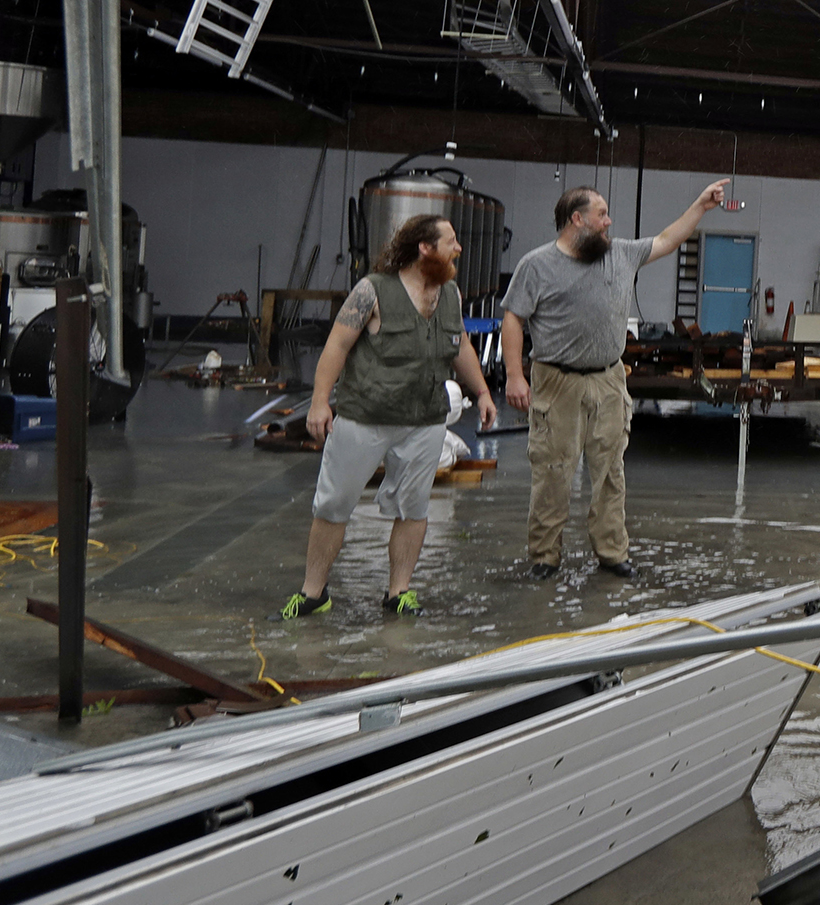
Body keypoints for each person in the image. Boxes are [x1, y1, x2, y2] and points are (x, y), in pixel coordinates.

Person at [502, 179, 730, 578]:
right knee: (553, 472)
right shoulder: (536, 265)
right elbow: (513, 319)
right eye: (602, 214)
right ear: (577, 219)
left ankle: (612, 552)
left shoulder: (620, 254)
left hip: (609, 380)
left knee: (610, 470)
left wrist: (700, 206)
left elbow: (666, 240)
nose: (610, 221)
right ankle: (544, 556)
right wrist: (513, 375)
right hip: (557, 381)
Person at [280, 215, 498, 620]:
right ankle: (313, 593)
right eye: (451, 241)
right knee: (334, 504)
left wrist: (482, 391)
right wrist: (319, 402)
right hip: (366, 417)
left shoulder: (449, 293)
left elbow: (460, 344)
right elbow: (336, 346)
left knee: (413, 509)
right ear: (424, 248)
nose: (459, 249)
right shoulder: (373, 291)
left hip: (425, 421)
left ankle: (399, 593)